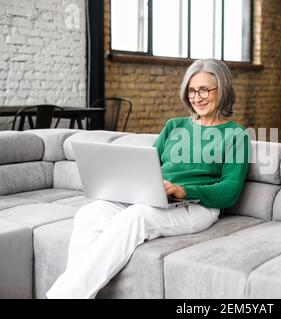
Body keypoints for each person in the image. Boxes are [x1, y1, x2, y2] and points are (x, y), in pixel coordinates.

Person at [46, 59, 251, 299]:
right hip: (154, 196)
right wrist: (130, 185)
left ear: (222, 90)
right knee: (90, 213)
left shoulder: (236, 134)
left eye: (205, 89)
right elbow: (147, 166)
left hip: (197, 206)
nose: (198, 97)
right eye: (192, 91)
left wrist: (183, 190)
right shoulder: (175, 126)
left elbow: (230, 190)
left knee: (136, 217)